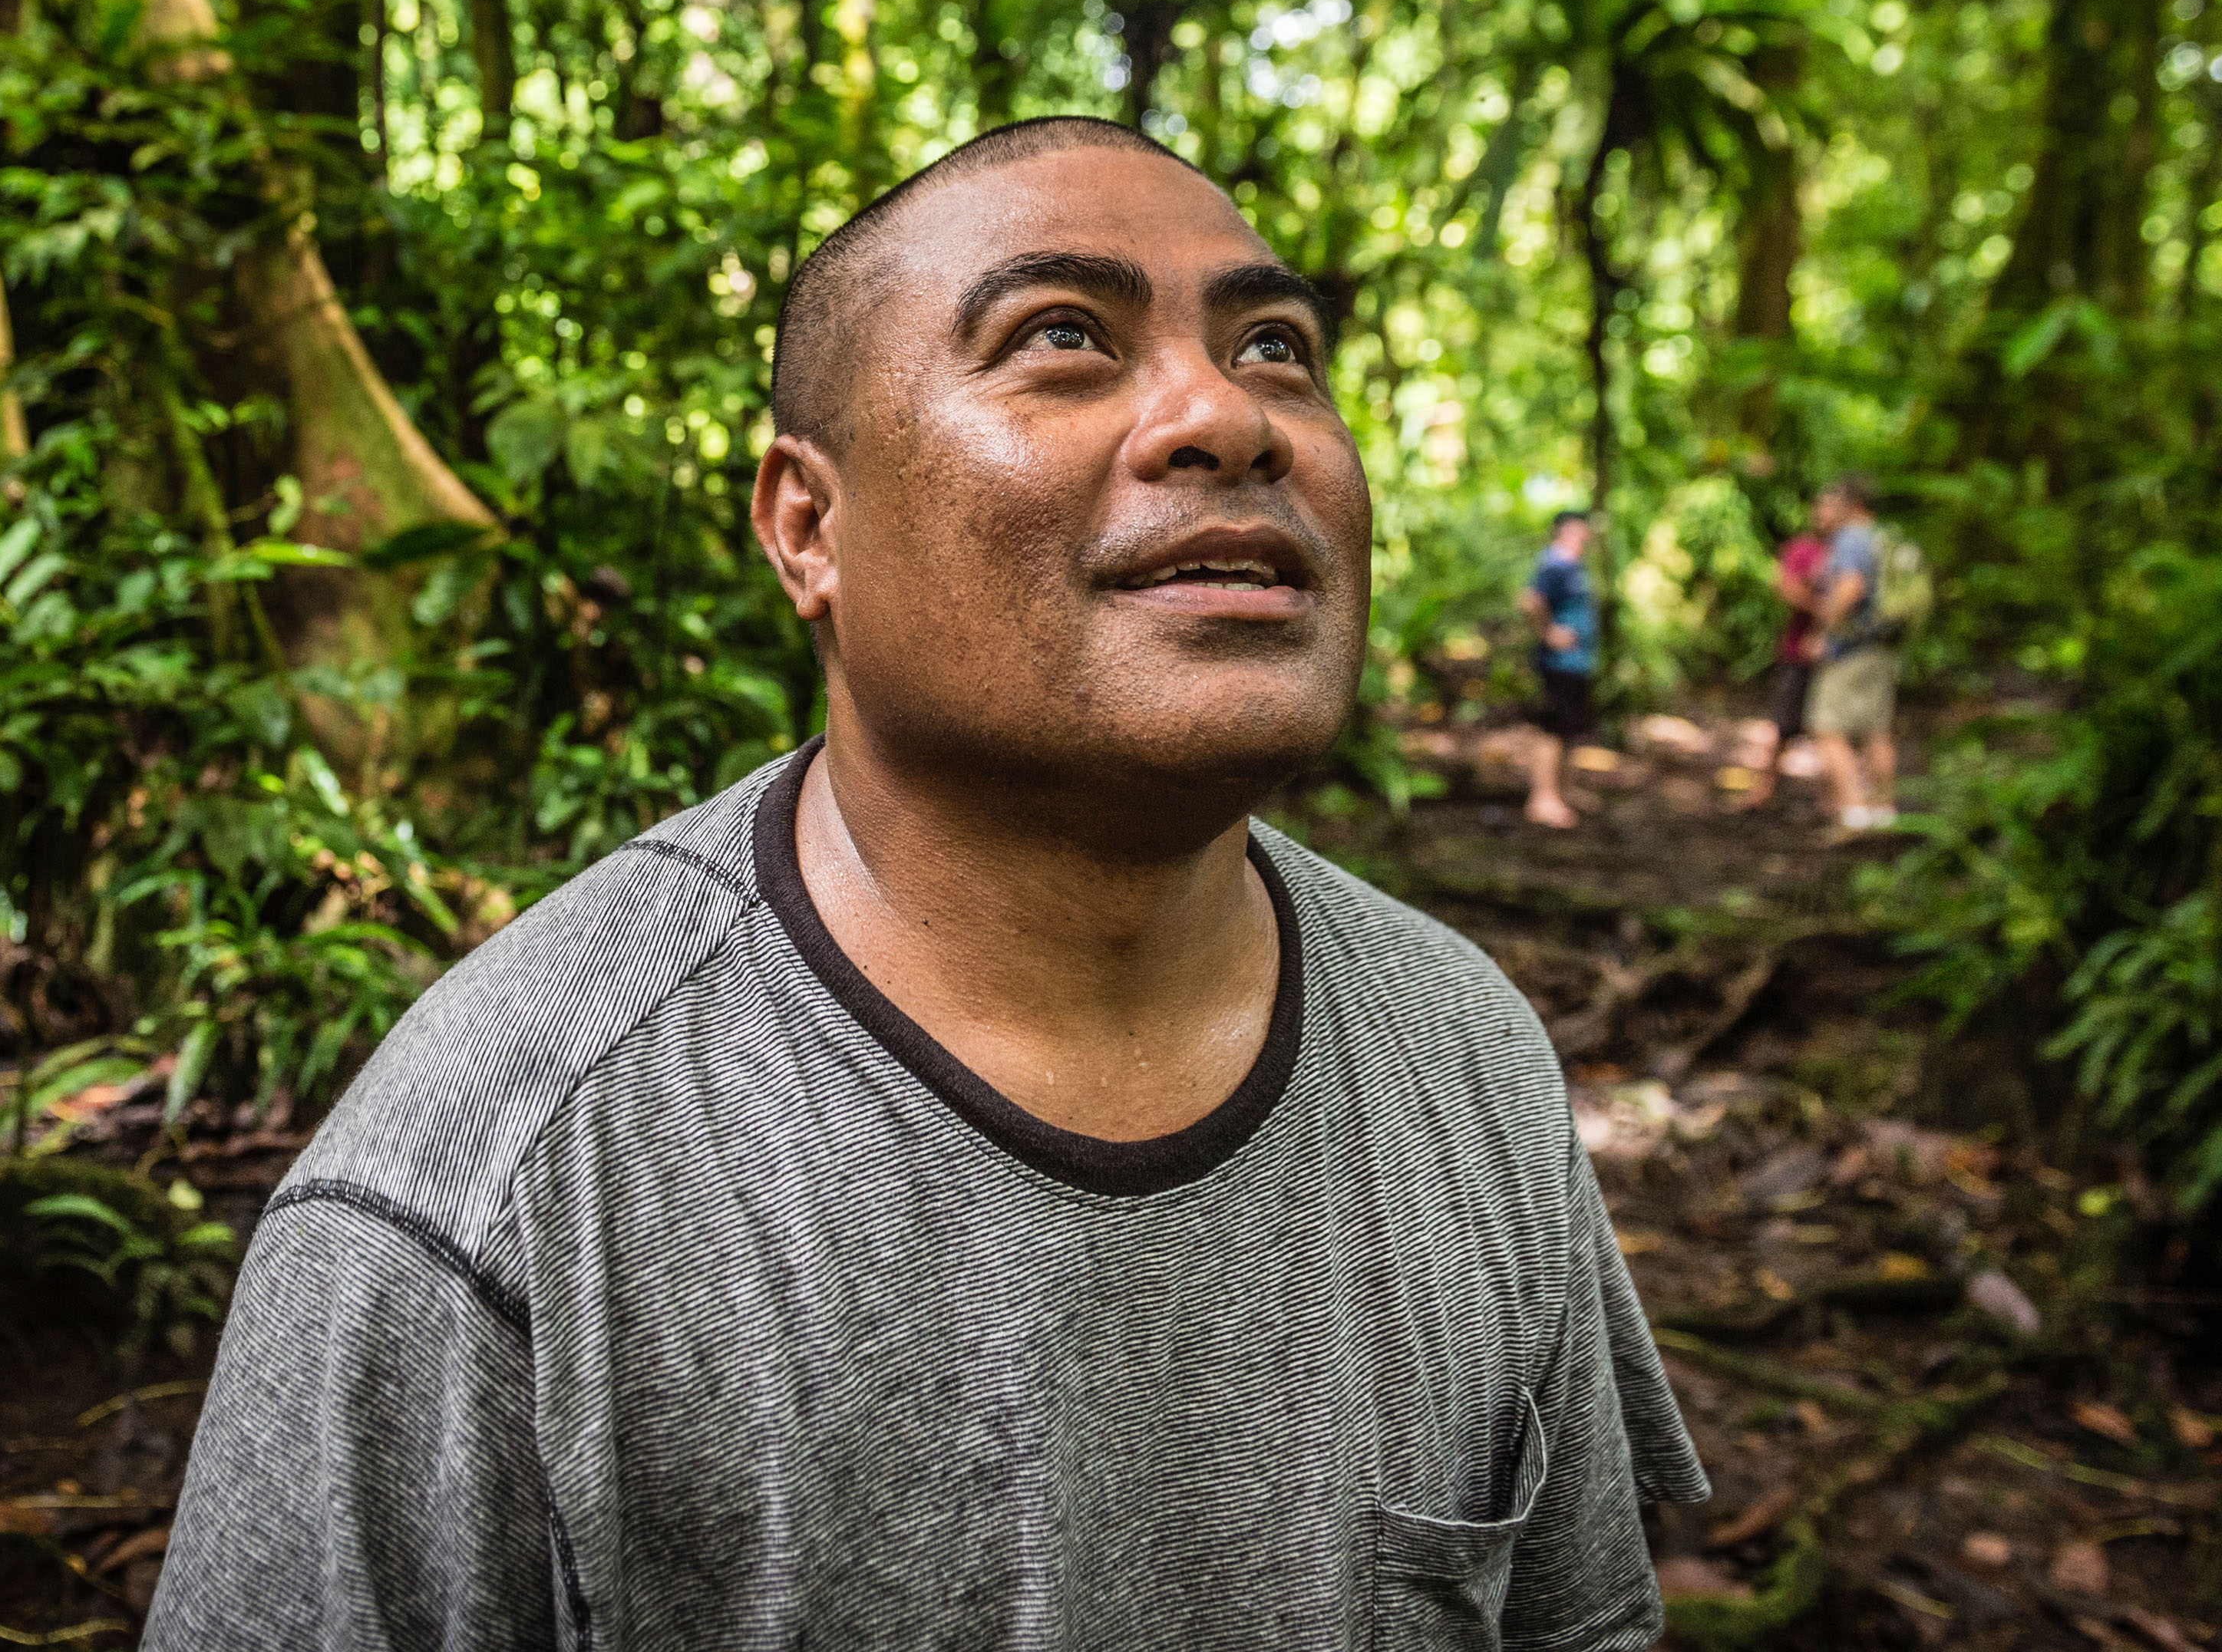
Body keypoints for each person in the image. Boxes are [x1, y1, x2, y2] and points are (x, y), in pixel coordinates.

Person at [150, 117, 1705, 1650]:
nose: (1224, 417)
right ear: (806, 527)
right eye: (1061, 338)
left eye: (1275, 347)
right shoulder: (491, 1190)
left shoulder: (1464, 1048)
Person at [1806, 475, 1899, 833]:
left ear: (1853, 503)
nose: (1827, 509)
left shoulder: (1851, 538)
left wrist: (1823, 631)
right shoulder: (1883, 536)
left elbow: (1851, 587)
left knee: (1827, 729)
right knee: (1876, 731)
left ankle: (1854, 813)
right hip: (1880, 647)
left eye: (1835, 501)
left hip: (1850, 650)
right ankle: (1882, 811)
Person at [1735, 495, 1832, 809]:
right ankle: (1765, 788)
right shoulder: (1803, 548)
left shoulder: (1849, 550)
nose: (1822, 514)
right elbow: (1786, 587)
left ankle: (1831, 796)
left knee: (1833, 727)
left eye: (1829, 507)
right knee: (1784, 722)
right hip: (1798, 649)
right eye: (1820, 507)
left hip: (1839, 655)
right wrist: (1827, 609)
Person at [1516, 509, 1599, 829]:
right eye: (1578, 530)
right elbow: (1531, 600)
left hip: (1578, 663)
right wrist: (1549, 632)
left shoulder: (1574, 566)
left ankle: (1562, 792)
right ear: (1564, 531)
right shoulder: (1555, 564)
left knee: (1569, 729)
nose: (1585, 535)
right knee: (1552, 729)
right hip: (1559, 664)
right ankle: (1542, 799)